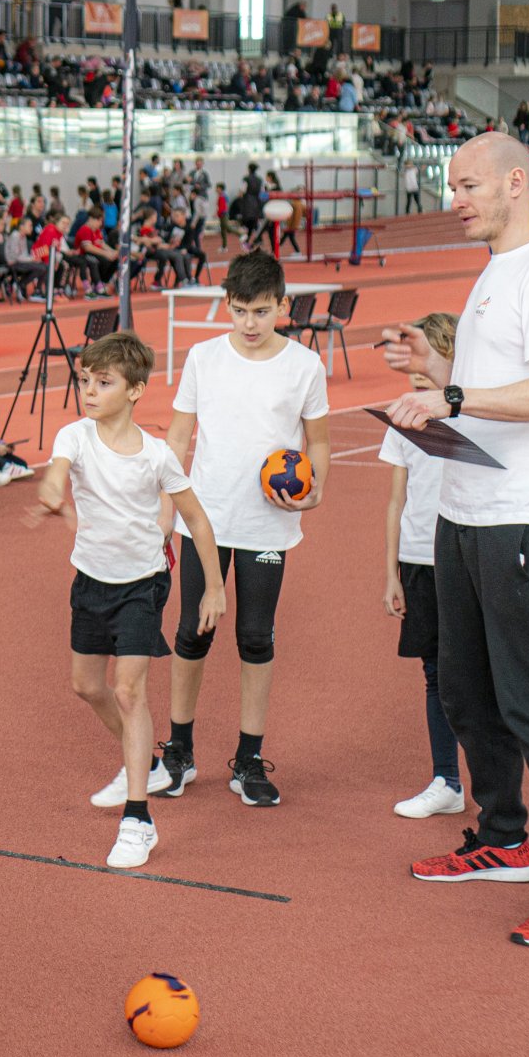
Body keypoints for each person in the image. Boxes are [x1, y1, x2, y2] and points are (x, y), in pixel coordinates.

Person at [382, 132, 529, 947]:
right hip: (465, 509)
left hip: (525, 514)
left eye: (467, 184)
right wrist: (435, 360)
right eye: (451, 185)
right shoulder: (495, 274)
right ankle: (503, 837)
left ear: (516, 182)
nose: (454, 198)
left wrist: (451, 391)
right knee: (466, 690)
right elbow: (486, 385)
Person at [35, 331, 227, 869]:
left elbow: (195, 519)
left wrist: (214, 586)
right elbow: (55, 477)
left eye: (103, 382)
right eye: (85, 382)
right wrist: (52, 493)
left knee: (128, 690)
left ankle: (138, 819)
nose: (90, 392)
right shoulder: (74, 436)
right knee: (86, 685)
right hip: (91, 581)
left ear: (136, 389)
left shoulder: (157, 456)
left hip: (143, 584)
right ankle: (148, 762)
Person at [158, 250, 330, 809]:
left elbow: (319, 441)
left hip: (268, 524)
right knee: (191, 632)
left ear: (282, 305)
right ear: (225, 307)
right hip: (204, 520)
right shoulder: (204, 358)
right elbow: (178, 437)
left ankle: (249, 759)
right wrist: (165, 516)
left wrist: (316, 490)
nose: (249, 324)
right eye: (238, 311)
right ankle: (179, 750)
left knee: (256, 637)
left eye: (260, 311)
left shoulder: (304, 365)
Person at [381, 312, 465, 820]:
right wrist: (390, 570)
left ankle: (499, 781)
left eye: (428, 360)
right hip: (417, 560)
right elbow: (396, 501)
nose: (417, 373)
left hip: (464, 555)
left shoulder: (472, 416)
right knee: (435, 673)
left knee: (477, 673)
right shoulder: (401, 424)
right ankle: (447, 781)